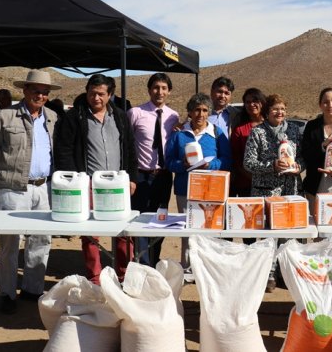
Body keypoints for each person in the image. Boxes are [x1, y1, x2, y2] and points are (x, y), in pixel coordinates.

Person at [0, 70, 60, 314]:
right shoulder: (3, 116)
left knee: (41, 241)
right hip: (13, 188)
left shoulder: (53, 118)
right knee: (9, 243)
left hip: (43, 187)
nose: (40, 95)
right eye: (36, 90)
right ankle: (7, 293)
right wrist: (9, 172)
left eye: (45, 92)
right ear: (25, 90)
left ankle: (32, 289)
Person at [54, 74, 138, 285]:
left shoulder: (119, 116)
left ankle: (124, 275)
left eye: (101, 94)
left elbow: (129, 149)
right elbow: (64, 150)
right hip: (89, 184)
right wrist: (75, 182)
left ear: (110, 95)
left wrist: (132, 178)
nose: (96, 98)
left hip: (118, 184)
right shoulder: (75, 117)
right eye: (92, 93)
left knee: (123, 233)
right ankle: (95, 278)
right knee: (91, 234)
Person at [243, 93, 304, 291]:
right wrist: (272, 166)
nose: (279, 112)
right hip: (267, 191)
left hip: (291, 188)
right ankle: (269, 274)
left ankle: (286, 273)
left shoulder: (294, 131)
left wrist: (298, 167)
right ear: (267, 112)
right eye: (275, 109)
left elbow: (303, 157)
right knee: (268, 235)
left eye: (282, 109)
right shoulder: (257, 132)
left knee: (288, 235)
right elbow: (249, 163)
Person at [165, 93, 229, 274]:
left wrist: (211, 165)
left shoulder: (217, 133)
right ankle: (186, 266)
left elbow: (226, 160)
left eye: (204, 110)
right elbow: (168, 162)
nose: (200, 114)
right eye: (196, 110)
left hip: (210, 190)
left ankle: (206, 268)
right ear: (190, 112)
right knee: (186, 228)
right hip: (184, 189)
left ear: (208, 113)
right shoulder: (179, 136)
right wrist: (182, 165)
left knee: (209, 228)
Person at [127, 73, 179, 266]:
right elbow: (127, 145)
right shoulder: (135, 113)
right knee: (140, 221)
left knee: (160, 220)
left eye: (164, 88)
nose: (160, 91)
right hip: (141, 175)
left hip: (164, 177)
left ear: (169, 91)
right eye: (156, 87)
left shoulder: (174, 116)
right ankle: (143, 264)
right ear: (149, 90)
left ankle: (154, 259)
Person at [231, 88, 266, 197]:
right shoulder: (239, 130)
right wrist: (251, 177)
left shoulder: (271, 126)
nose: (251, 104)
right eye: (247, 102)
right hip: (246, 184)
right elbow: (236, 159)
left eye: (255, 101)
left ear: (262, 102)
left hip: (270, 183)